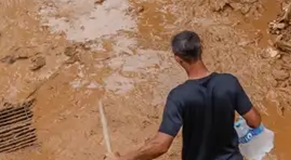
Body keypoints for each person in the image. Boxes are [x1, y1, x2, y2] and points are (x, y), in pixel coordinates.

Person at [105, 31, 262, 160]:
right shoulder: (229, 82)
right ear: (201, 49)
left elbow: (161, 146)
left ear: (178, 59)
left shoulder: (178, 97)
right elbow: (255, 121)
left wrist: (123, 159)